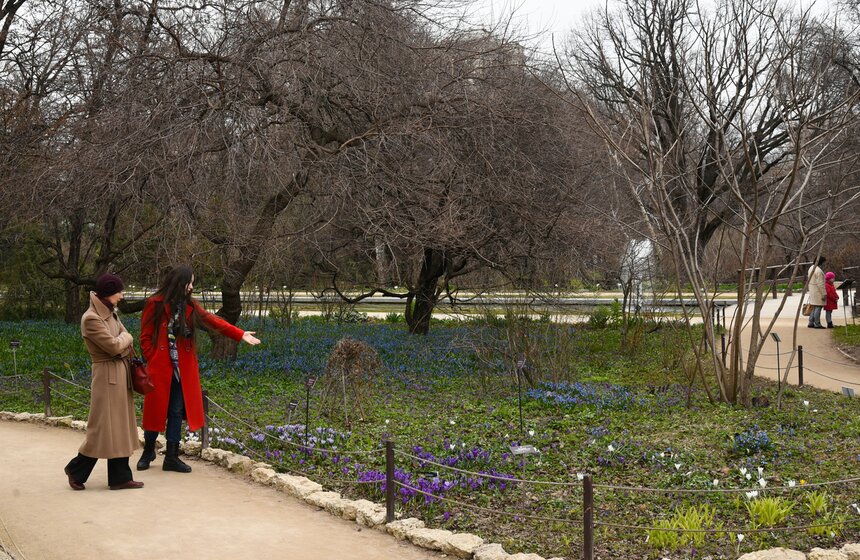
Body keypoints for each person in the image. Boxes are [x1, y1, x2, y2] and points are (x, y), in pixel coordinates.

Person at [137, 265, 261, 472]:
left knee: (176, 411)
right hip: (160, 368)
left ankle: (171, 457)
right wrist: (153, 357)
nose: (192, 287)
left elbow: (213, 320)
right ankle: (148, 450)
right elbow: (145, 336)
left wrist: (239, 334)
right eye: (190, 282)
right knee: (155, 410)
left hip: (182, 369)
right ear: (180, 283)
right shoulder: (155, 303)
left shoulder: (190, 305)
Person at [64, 273, 144, 490]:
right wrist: (126, 340)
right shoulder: (91, 318)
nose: (122, 295)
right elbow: (115, 346)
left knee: (119, 426)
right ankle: (76, 469)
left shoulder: (109, 313)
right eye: (119, 291)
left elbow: (121, 339)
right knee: (101, 428)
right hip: (106, 377)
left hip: (119, 374)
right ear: (109, 293)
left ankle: (120, 477)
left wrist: (123, 341)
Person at [807, 256, 827, 329]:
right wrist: (824, 294)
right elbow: (820, 284)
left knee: (814, 307)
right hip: (818, 291)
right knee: (818, 307)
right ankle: (817, 323)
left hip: (812, 290)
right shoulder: (818, 271)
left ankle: (811, 322)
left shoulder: (811, 268)